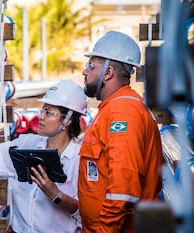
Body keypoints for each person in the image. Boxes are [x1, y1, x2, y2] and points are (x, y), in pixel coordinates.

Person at [0, 80, 87, 233]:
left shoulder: (80, 159)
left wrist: (56, 195)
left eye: (48, 112)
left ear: (67, 119)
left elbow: (86, 214)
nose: (40, 116)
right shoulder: (27, 144)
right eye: (42, 110)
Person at [78, 30, 164, 233]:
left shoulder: (123, 113)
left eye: (91, 66)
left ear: (108, 73)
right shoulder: (113, 108)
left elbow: (122, 192)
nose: (84, 71)